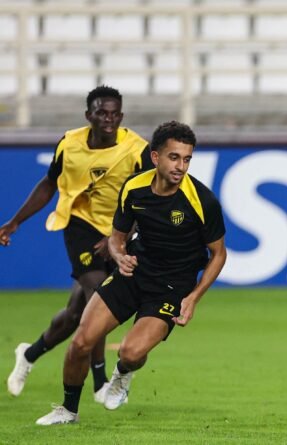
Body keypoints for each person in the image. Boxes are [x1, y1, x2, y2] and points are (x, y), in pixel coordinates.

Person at [35, 120, 227, 425]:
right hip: (134, 274)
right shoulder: (134, 187)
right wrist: (119, 255)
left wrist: (193, 298)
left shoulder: (202, 201)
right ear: (155, 157)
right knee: (82, 341)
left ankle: (123, 375)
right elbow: (117, 237)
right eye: (174, 157)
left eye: (187, 158)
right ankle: (68, 411)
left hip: (171, 287)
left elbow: (219, 254)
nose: (181, 166)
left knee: (131, 352)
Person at [1, 85, 151, 401]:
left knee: (75, 314)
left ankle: (29, 354)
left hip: (119, 232)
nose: (108, 119)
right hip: (80, 225)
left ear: (121, 116)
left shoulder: (137, 149)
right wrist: (15, 222)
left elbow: (149, 199)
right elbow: (49, 184)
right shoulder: (69, 144)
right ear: (89, 115)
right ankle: (98, 382)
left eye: (114, 114)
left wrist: (118, 235)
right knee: (100, 296)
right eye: (101, 113)